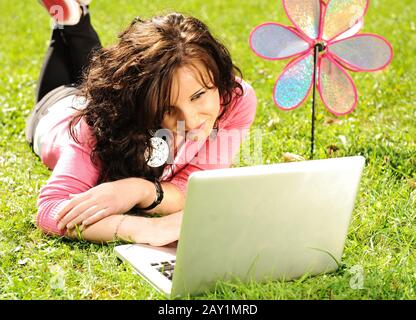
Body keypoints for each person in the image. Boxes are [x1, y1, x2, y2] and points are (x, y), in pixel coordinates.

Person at [26, 0, 257, 246]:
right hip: (56, 110)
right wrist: (145, 228)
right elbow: (51, 210)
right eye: (166, 109)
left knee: (95, 66)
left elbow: (192, 187)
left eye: (198, 95)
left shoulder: (234, 99)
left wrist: (138, 189)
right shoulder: (97, 125)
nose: (189, 121)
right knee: (71, 75)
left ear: (219, 78)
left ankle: (74, 17)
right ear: (138, 103)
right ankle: (70, 20)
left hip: (106, 88)